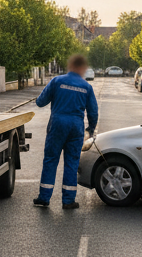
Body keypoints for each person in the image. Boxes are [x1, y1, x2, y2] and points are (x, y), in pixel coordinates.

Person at [33, 54, 99, 209]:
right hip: (76, 126)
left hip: (57, 124)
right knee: (72, 162)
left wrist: (39, 99)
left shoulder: (57, 81)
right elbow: (93, 112)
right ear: (82, 68)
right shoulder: (86, 86)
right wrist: (91, 128)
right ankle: (68, 201)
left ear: (70, 66)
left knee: (50, 160)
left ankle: (44, 198)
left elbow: (41, 102)